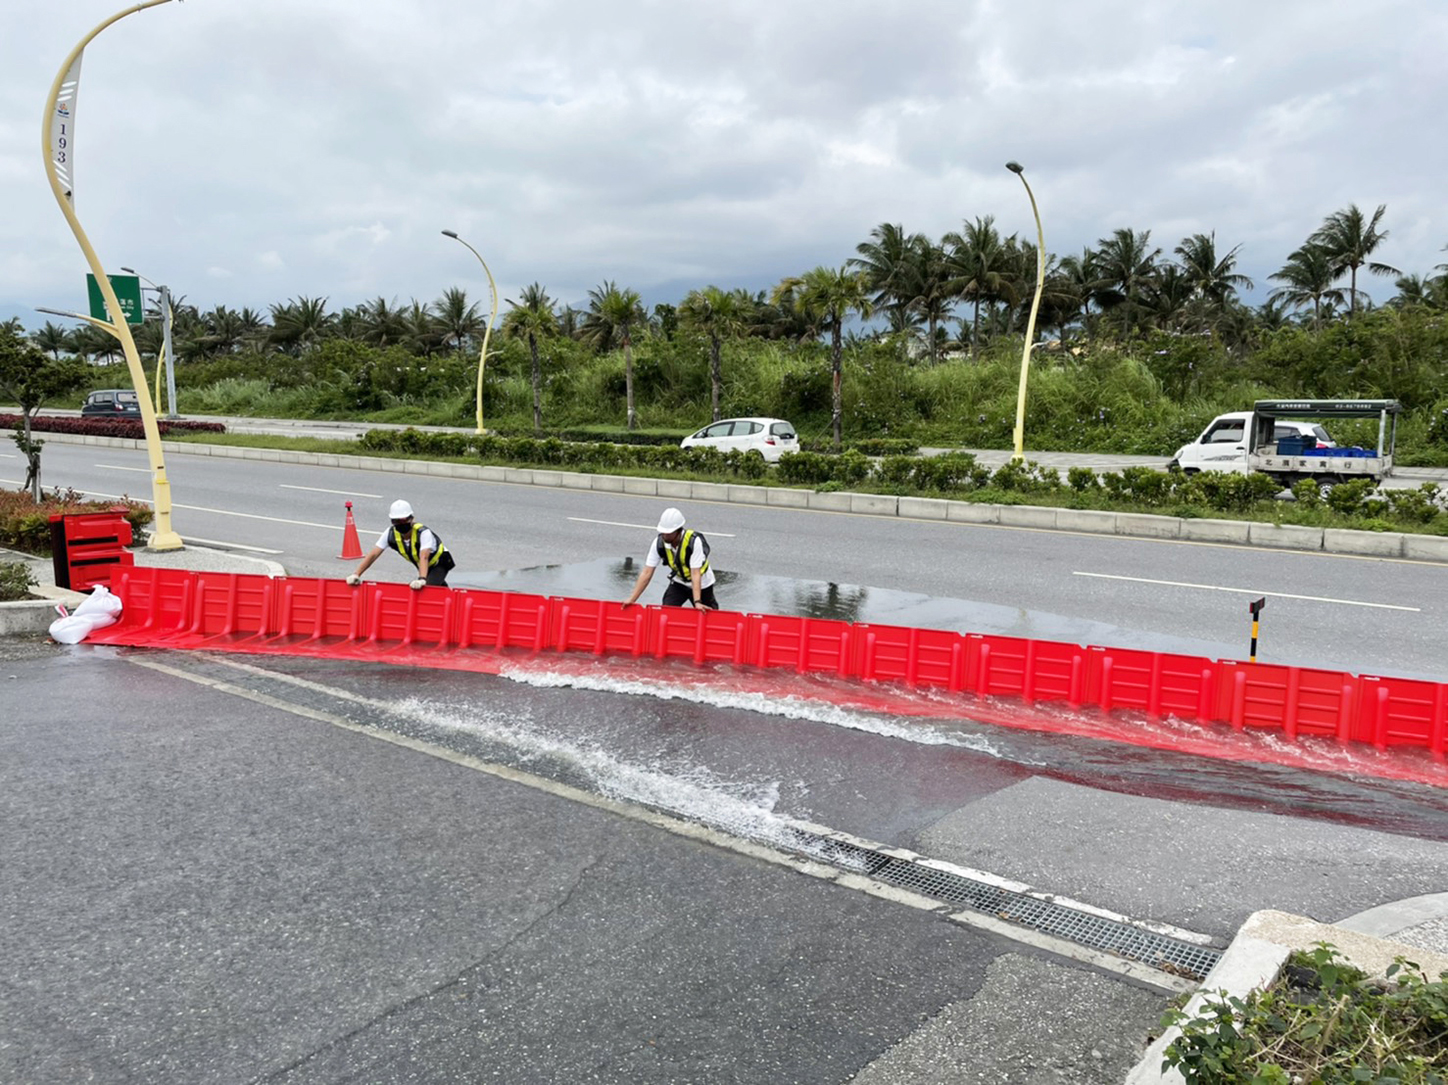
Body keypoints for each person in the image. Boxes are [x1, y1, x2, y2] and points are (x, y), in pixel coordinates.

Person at [622, 507, 719, 611]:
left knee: (709, 614)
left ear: (678, 531)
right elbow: (647, 572)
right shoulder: (659, 543)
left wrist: (697, 602)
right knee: (667, 611)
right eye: (663, 532)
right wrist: (632, 599)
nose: (665, 535)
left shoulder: (694, 541)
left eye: (668, 533)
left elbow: (695, 573)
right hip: (679, 582)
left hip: (702, 584)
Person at [346, 499, 455, 590]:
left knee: (427, 590)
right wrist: (356, 574)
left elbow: (424, 556)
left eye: (403, 520)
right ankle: (452, 603)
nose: (401, 524)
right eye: (396, 521)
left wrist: (422, 579)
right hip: (423, 565)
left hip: (440, 562)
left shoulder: (423, 533)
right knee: (439, 588)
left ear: (411, 519)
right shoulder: (390, 534)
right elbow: (373, 554)